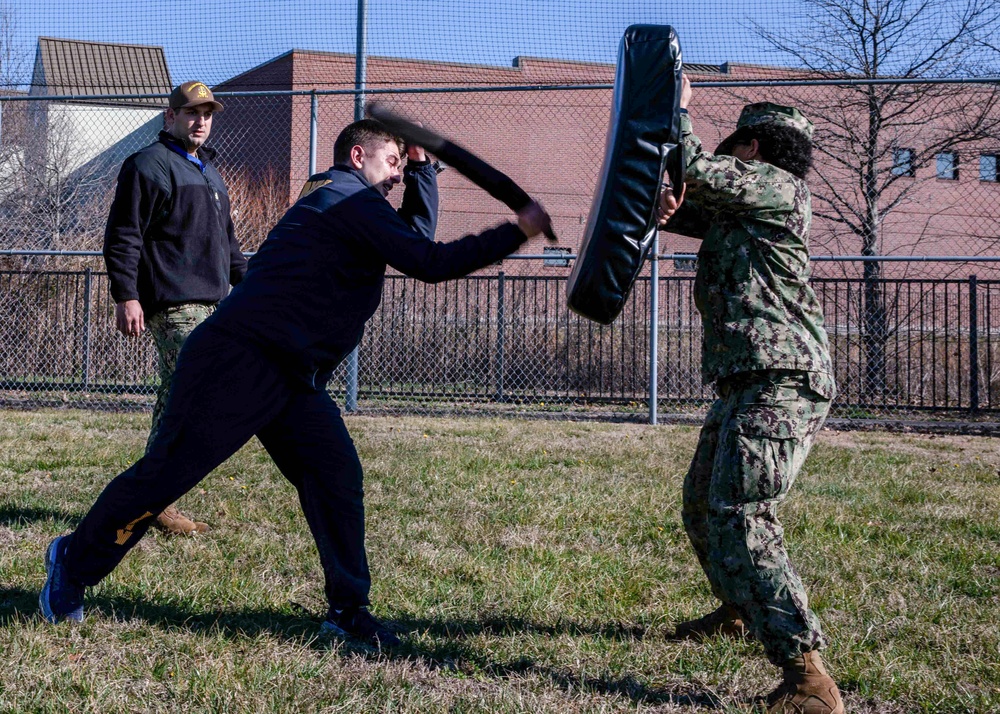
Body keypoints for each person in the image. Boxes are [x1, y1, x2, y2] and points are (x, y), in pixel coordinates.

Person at [41, 118, 552, 647]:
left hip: (288, 374)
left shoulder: (345, 199)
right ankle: (72, 563)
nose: (398, 176)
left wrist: (423, 170)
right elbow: (429, 260)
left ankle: (347, 611)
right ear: (358, 157)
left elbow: (412, 241)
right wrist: (518, 229)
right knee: (163, 479)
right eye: (394, 163)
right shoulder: (348, 202)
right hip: (237, 362)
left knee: (333, 473)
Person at [659, 75, 844, 714]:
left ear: (757, 147)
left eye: (737, 144)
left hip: (782, 377)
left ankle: (806, 674)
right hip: (749, 376)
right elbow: (687, 198)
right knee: (701, 505)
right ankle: (740, 609)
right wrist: (661, 202)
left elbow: (693, 166)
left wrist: (674, 111)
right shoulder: (748, 206)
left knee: (742, 513)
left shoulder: (779, 187)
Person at [103, 80, 248, 535]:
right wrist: (127, 294)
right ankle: (151, 497)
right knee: (196, 391)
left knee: (178, 397)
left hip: (214, 303)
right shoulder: (148, 165)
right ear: (170, 117)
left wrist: (251, 287)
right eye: (191, 113)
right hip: (173, 304)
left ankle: (149, 497)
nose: (200, 120)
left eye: (207, 113)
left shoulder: (209, 170)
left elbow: (228, 243)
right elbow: (124, 234)